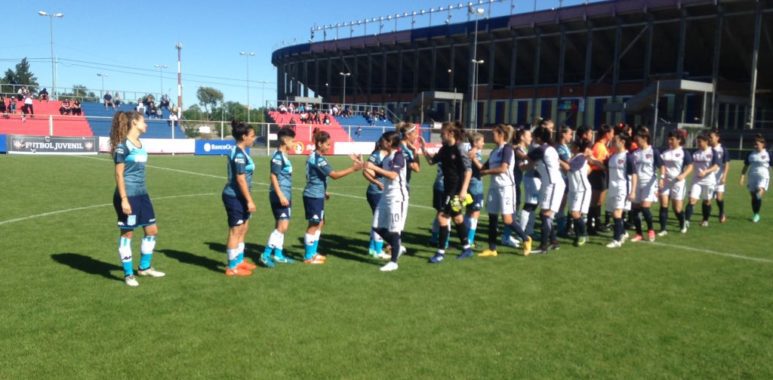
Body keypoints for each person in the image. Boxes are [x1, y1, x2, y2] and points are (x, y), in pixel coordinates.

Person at [110, 111, 165, 287]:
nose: (146, 124)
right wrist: (124, 199)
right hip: (128, 196)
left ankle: (144, 267)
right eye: (144, 121)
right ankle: (128, 275)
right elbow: (119, 175)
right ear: (134, 122)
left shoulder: (140, 144)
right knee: (128, 234)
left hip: (142, 194)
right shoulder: (122, 146)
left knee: (152, 230)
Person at [302, 129, 363, 264]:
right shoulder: (318, 159)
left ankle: (313, 253)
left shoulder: (315, 156)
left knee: (320, 223)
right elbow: (334, 175)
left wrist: (324, 191)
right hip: (313, 195)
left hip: (318, 193)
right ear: (319, 143)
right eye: (327, 144)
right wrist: (353, 169)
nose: (329, 147)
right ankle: (308, 256)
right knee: (314, 224)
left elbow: (316, 176)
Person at [419, 121, 474, 263]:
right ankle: (467, 248)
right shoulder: (444, 149)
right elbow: (432, 162)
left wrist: (463, 190)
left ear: (451, 133)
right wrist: (423, 149)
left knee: (443, 218)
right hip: (448, 188)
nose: (440, 136)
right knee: (457, 218)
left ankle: (440, 252)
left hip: (456, 190)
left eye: (442, 133)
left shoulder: (459, 148)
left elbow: (468, 171)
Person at [478, 124, 532, 257]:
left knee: (507, 219)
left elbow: (503, 168)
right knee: (492, 217)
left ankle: (526, 239)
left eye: (494, 133)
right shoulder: (494, 151)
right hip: (494, 187)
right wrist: (472, 157)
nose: (492, 135)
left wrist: (487, 172)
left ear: (501, 135)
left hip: (506, 188)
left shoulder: (507, 149)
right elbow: (482, 168)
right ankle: (492, 248)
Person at [366, 131, 409, 272]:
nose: (381, 142)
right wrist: (363, 165)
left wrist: (373, 167)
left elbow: (392, 175)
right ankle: (397, 246)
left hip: (397, 198)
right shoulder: (386, 158)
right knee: (377, 227)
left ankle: (393, 262)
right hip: (385, 196)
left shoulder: (398, 156)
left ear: (390, 143)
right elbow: (377, 173)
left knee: (394, 230)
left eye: (384, 140)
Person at [221, 120, 258, 277]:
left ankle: (239, 261)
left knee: (243, 229)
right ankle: (231, 267)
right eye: (252, 136)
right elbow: (240, 179)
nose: (254, 138)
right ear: (244, 137)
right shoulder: (238, 154)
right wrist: (249, 200)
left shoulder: (242, 152)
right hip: (234, 196)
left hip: (241, 196)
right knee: (235, 231)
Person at [261, 127, 297, 268]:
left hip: (285, 195)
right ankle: (265, 255)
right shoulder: (277, 157)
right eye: (292, 140)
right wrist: (281, 195)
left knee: (281, 225)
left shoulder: (283, 155)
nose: (294, 143)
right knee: (282, 226)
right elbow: (273, 176)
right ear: (285, 140)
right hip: (279, 195)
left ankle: (278, 254)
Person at [528, 125, 566, 254]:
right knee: (544, 214)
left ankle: (543, 246)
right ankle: (554, 242)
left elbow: (526, 158)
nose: (532, 138)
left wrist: (516, 149)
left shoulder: (542, 149)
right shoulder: (548, 148)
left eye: (533, 136)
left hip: (553, 184)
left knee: (546, 214)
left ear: (538, 138)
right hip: (549, 183)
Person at [658, 130, 693, 235]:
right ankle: (663, 229)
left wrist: (683, 175)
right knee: (664, 205)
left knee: (677, 209)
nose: (669, 141)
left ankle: (683, 223)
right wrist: (661, 177)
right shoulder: (664, 152)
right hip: (665, 182)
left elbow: (690, 166)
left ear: (679, 140)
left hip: (678, 183)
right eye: (669, 139)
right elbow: (661, 166)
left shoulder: (684, 152)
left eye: (672, 139)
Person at [630, 128, 663, 242]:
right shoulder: (635, 153)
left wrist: (662, 178)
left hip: (649, 183)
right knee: (635, 209)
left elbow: (662, 166)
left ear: (645, 139)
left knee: (645, 208)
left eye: (638, 139)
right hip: (637, 184)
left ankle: (651, 230)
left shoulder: (653, 151)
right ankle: (639, 234)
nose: (636, 142)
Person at [606, 133, 636, 248]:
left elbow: (634, 175)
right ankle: (623, 233)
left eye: (615, 140)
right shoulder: (612, 156)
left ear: (623, 142)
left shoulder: (628, 157)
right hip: (612, 188)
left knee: (617, 213)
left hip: (622, 188)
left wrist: (632, 191)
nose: (613, 142)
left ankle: (616, 240)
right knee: (614, 213)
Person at [685, 134, 719, 230]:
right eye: (697, 142)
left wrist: (705, 172)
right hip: (696, 181)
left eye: (700, 142)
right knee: (692, 200)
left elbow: (716, 166)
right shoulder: (695, 154)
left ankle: (705, 220)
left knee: (707, 201)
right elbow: (690, 166)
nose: (698, 144)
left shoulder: (713, 152)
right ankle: (686, 221)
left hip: (709, 181)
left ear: (706, 142)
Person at [363, 136, 389, 259]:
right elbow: (366, 171)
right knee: (381, 221)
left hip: (383, 192)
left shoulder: (390, 154)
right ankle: (377, 251)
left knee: (379, 220)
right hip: (375, 192)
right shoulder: (377, 155)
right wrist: (376, 182)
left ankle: (373, 248)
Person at [588, 124, 614, 234]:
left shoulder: (603, 146)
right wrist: (605, 166)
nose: (613, 135)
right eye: (612, 133)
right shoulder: (599, 146)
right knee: (596, 201)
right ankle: (591, 224)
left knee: (598, 201)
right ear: (607, 134)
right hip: (597, 175)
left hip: (601, 175)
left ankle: (596, 223)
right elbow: (594, 161)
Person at [567, 140, 593, 246]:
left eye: (572, 145)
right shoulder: (574, 157)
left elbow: (570, 167)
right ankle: (579, 236)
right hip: (574, 189)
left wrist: (558, 160)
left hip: (582, 189)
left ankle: (584, 234)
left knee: (575, 213)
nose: (570, 147)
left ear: (577, 147)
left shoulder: (580, 157)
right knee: (575, 214)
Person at [740, 134, 770, 223]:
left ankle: (756, 215)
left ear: (763, 144)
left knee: (758, 195)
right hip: (752, 177)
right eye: (754, 144)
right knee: (753, 197)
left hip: (763, 177)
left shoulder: (768, 154)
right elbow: (745, 166)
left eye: (757, 144)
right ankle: (756, 214)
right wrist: (742, 177)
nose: (755, 145)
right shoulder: (750, 154)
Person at [465, 132, 485, 247]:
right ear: (476, 142)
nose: (483, 143)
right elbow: (481, 169)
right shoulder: (474, 153)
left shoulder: (469, 152)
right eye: (482, 141)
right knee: (475, 213)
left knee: (469, 212)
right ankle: (470, 240)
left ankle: (466, 237)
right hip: (475, 186)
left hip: (469, 186)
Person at [709, 129, 730, 223]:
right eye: (709, 137)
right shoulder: (708, 149)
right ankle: (705, 218)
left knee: (719, 198)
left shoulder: (723, 149)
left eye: (711, 137)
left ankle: (721, 213)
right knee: (707, 199)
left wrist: (724, 176)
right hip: (709, 176)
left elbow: (727, 164)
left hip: (719, 177)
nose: (709, 139)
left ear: (717, 138)